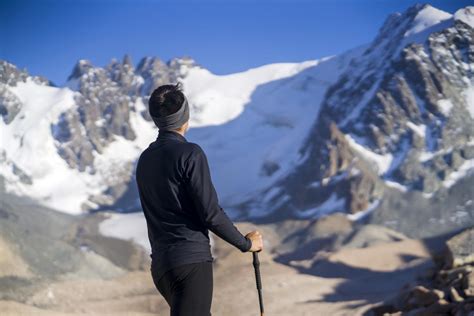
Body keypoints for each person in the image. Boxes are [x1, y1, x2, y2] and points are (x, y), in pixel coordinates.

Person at [135, 82, 264, 316]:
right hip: (191, 263)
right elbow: (210, 213)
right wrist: (246, 244)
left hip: (162, 267)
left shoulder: (144, 160)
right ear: (185, 117)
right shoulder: (190, 154)